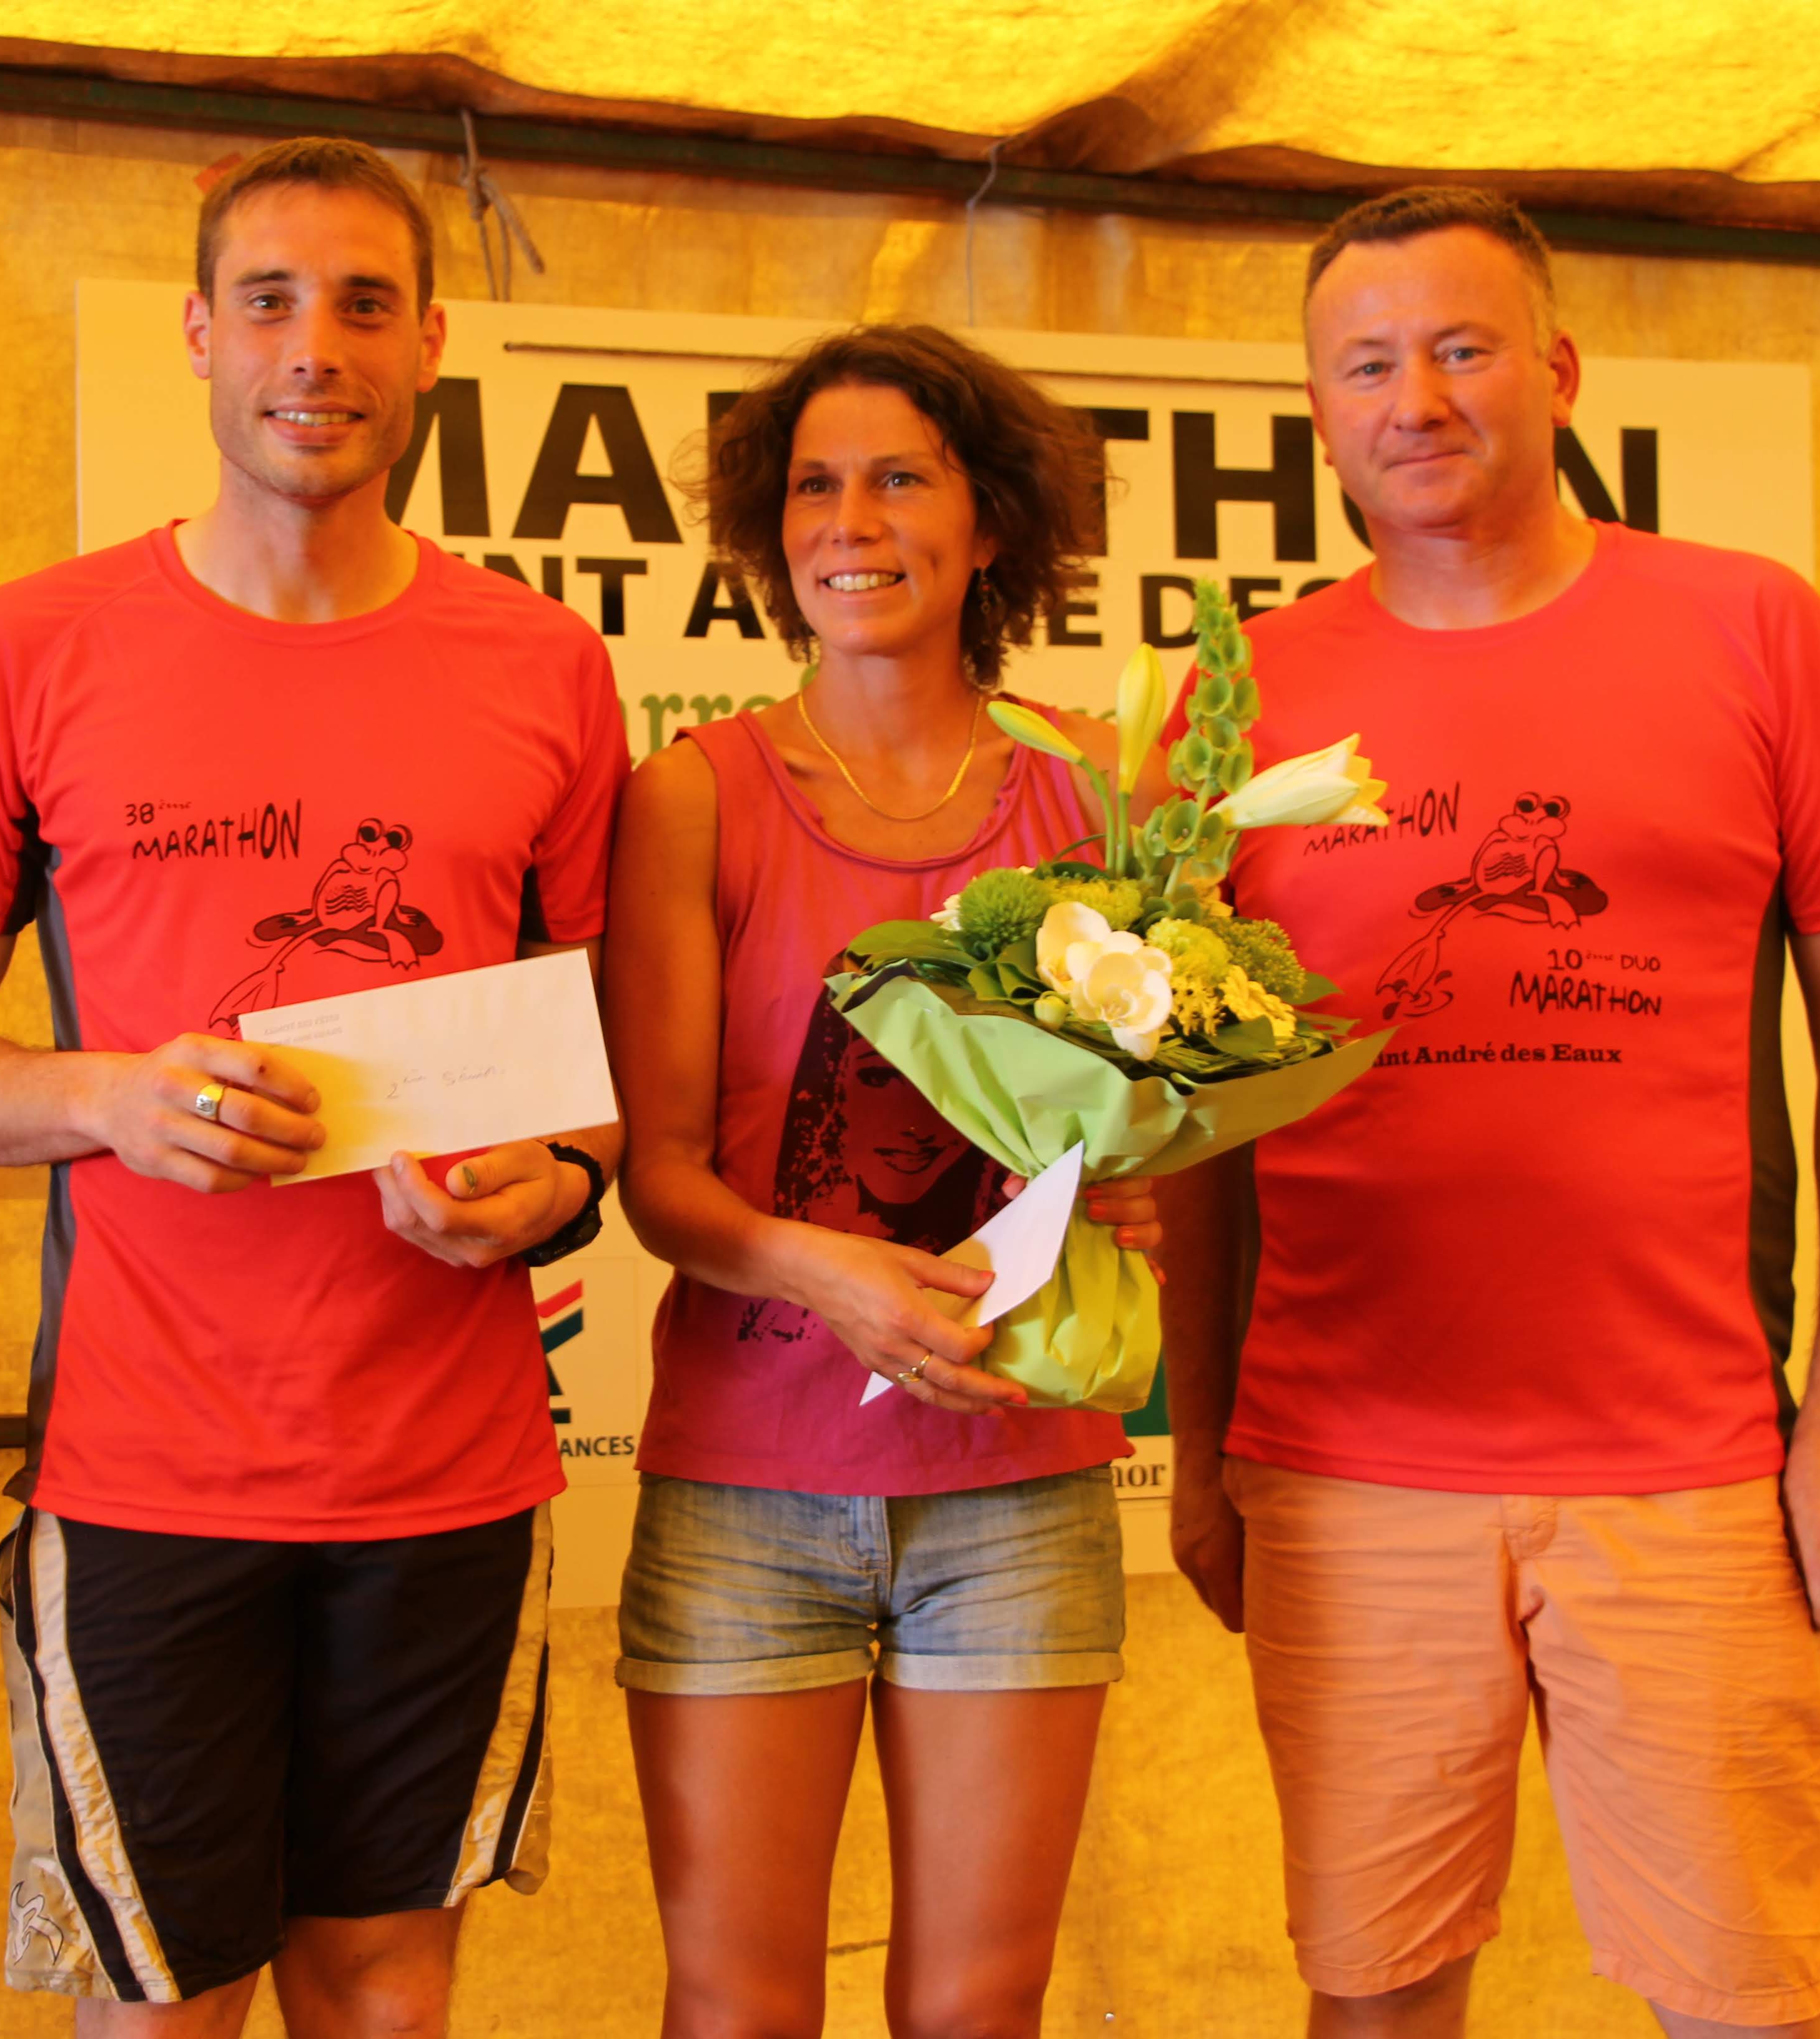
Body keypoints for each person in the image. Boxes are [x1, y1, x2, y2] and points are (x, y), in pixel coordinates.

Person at [1157, 187, 1820, 2039]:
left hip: (1693, 1468)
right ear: (1318, 413)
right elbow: (1194, 1123)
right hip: (1340, 1471)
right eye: (1366, 366)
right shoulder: (1240, 699)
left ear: (1561, 372)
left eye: (1461, 348)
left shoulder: (1756, 633)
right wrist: (1198, 1448)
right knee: (1374, 1997)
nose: (1415, 399)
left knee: (1750, 2004)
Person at [0, 137, 626, 2038]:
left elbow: (595, 1077)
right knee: (166, 1996)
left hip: (449, 1470)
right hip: (145, 1470)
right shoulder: (30, 647)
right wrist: (112, 1100)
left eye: (364, 304)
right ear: (199, 335)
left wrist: (547, 1187)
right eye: (270, 301)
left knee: (385, 1985)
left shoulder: (543, 664)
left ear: (429, 342)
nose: (316, 347)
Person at [601, 325, 1162, 2039]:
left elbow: (1148, 1124)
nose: (849, 521)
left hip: (1018, 1492)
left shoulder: (1100, 793)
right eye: (814, 487)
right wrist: (819, 1266)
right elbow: (660, 1180)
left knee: (980, 2006)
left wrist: (1137, 1187)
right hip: (744, 1493)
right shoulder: (693, 797)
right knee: (736, 2006)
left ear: (990, 525)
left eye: (900, 478)